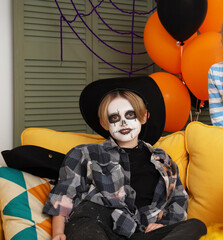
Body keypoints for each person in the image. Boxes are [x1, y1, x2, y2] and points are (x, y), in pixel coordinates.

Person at [43, 77, 207, 240]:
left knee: (196, 225)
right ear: (104, 124)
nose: (123, 122)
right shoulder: (85, 153)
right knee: (87, 222)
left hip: (142, 231)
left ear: (144, 117)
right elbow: (63, 196)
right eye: (114, 117)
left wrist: (163, 224)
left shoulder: (162, 159)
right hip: (97, 222)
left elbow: (178, 199)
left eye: (130, 115)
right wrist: (58, 233)